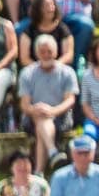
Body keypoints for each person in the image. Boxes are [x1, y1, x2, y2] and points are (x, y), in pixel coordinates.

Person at [18, 33, 78, 175]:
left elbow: (70, 100)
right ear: (37, 53)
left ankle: (39, 171)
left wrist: (52, 111)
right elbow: (24, 105)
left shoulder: (67, 72)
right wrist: (36, 110)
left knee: (42, 121)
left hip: (61, 116)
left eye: (49, 51)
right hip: (32, 117)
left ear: (56, 52)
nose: (46, 55)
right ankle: (52, 152)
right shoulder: (27, 73)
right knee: (41, 116)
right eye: (42, 52)